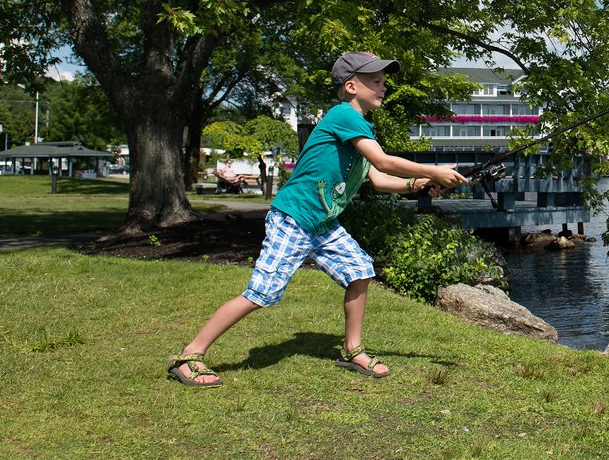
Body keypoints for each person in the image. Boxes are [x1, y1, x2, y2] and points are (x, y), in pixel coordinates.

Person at [167, 51, 468, 388]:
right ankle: (189, 356)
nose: (383, 88)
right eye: (376, 82)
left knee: (360, 271)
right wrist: (432, 169)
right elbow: (383, 162)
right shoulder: (344, 115)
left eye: (384, 82)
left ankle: (352, 350)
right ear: (352, 86)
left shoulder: (361, 125)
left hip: (322, 224)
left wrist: (417, 184)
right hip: (294, 218)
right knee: (262, 292)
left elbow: (379, 180)